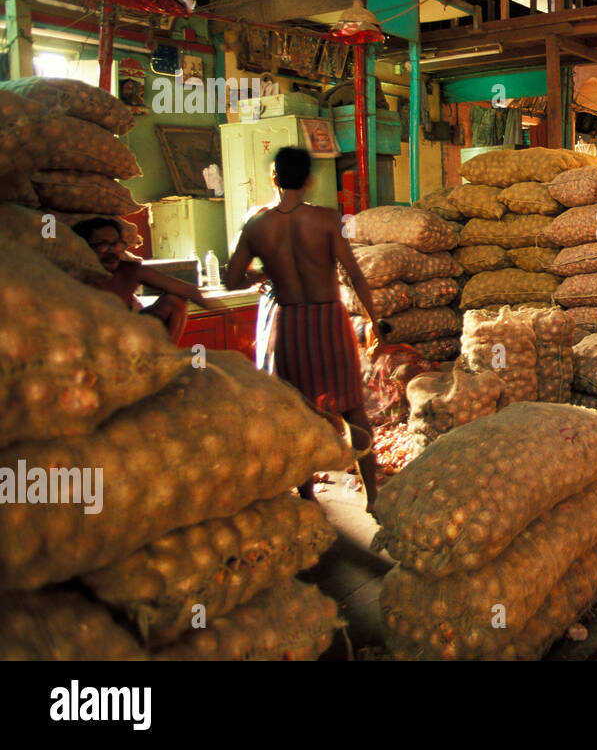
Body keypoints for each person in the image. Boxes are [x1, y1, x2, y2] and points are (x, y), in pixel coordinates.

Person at [225, 146, 383, 513]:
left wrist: (262, 274)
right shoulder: (328, 220)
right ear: (309, 180)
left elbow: (231, 279)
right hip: (329, 320)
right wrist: (376, 322)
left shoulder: (257, 226)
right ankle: (372, 496)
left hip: (290, 322)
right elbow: (354, 275)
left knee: (296, 411)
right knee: (353, 409)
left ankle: (308, 496)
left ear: (274, 178)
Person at [73, 217, 217, 344]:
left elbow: (188, 290)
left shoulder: (129, 271)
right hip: (98, 344)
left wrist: (232, 316)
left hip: (132, 336)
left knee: (175, 301)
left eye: (117, 244)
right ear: (84, 247)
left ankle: (166, 357)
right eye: (102, 245)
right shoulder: (74, 278)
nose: (113, 251)